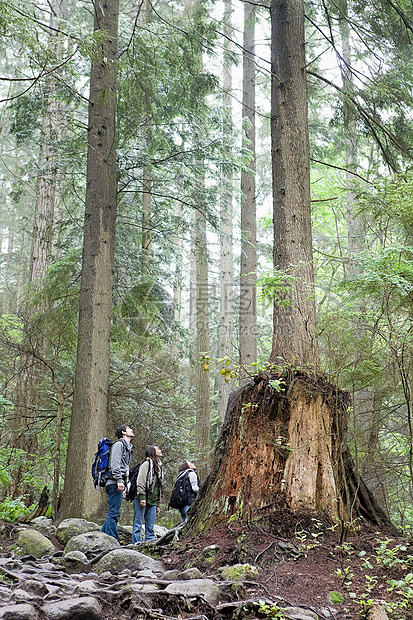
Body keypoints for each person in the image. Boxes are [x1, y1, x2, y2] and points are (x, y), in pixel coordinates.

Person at [101, 424, 134, 541]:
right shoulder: (119, 445)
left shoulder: (127, 447)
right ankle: (112, 540)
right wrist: (119, 480)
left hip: (118, 483)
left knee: (114, 512)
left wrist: (124, 486)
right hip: (114, 482)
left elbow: (125, 468)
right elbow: (115, 464)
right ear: (123, 432)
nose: (132, 430)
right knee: (114, 513)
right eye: (129, 428)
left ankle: (100, 536)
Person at [132, 445, 164, 544]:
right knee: (138, 523)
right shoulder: (146, 464)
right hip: (142, 498)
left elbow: (159, 487)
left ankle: (149, 543)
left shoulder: (160, 466)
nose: (160, 450)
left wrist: (158, 504)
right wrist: (142, 497)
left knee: (150, 526)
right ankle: (136, 543)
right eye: (157, 449)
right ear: (152, 452)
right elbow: (140, 481)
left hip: (153, 501)